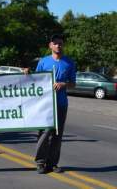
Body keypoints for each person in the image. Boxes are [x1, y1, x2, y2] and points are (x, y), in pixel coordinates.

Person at [34, 34, 76, 174]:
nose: (58, 45)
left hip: (61, 103)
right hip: (46, 104)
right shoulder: (43, 62)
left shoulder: (69, 63)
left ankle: (52, 163)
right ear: (50, 45)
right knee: (45, 133)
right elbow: (35, 81)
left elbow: (73, 84)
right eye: (55, 43)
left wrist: (63, 84)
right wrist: (27, 73)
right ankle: (40, 162)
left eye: (60, 43)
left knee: (57, 135)